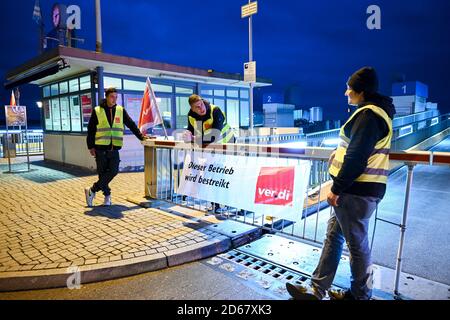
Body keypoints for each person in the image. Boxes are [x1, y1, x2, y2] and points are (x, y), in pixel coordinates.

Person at [286, 67, 396, 300]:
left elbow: (357, 157)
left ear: (361, 91)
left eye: (349, 88)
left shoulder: (369, 115)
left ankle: (359, 295)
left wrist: (336, 189)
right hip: (357, 190)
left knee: (357, 247)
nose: (346, 93)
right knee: (334, 237)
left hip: (356, 191)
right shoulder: (374, 113)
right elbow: (352, 151)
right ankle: (317, 290)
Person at [85, 87, 146, 207]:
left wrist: (141, 137)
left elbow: (131, 124)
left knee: (113, 171)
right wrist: (90, 146)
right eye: (112, 97)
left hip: (114, 148)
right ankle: (107, 197)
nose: (114, 99)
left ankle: (92, 190)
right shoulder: (97, 110)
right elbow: (91, 130)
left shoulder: (120, 110)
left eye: (116, 97)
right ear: (107, 97)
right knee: (102, 174)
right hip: (100, 148)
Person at [183, 94, 235, 213]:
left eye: (201, 104)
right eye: (197, 107)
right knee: (214, 175)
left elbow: (214, 135)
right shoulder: (191, 116)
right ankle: (216, 204)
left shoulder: (215, 110)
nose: (201, 108)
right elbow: (191, 129)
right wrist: (187, 133)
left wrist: (193, 138)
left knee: (223, 176)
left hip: (227, 146)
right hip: (211, 149)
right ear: (192, 108)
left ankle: (225, 203)